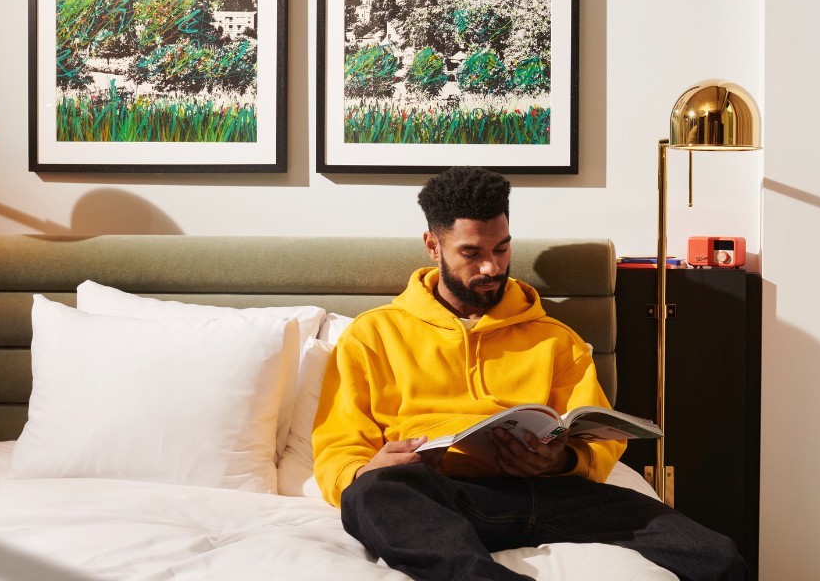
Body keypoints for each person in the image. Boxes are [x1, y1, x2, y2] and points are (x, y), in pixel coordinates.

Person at [312, 166, 746, 581]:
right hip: (440, 494)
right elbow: (337, 449)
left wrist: (563, 458)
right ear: (432, 245)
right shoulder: (373, 335)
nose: (491, 268)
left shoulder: (555, 338)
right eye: (472, 253)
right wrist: (366, 470)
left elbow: (597, 439)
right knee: (372, 494)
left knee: (717, 555)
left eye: (501, 249)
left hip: (553, 494)